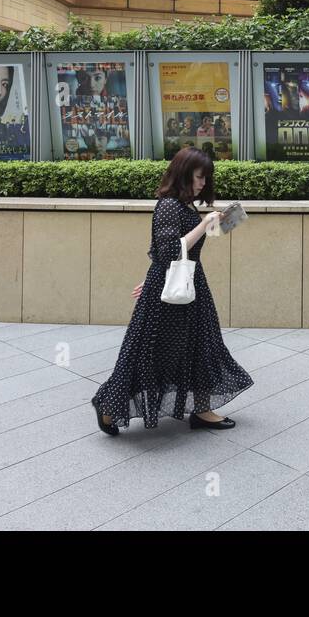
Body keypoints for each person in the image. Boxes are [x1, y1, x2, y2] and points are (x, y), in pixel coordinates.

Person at [91, 148, 253, 433]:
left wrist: (222, 222)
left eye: (206, 178)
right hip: (173, 293)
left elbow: (174, 250)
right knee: (151, 352)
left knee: (201, 345)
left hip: (190, 284)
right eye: (199, 176)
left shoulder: (185, 205)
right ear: (184, 173)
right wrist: (203, 224)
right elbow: (167, 252)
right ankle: (108, 407)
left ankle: (202, 410)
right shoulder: (167, 205)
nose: (203, 183)